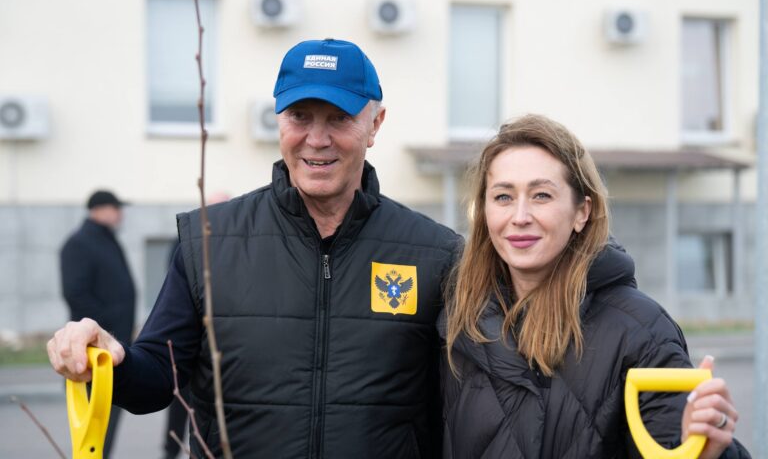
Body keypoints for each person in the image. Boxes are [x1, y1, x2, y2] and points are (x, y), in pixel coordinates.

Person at [48, 38, 463, 458]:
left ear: (375, 124)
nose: (317, 139)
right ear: (279, 119)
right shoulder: (209, 241)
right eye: (300, 116)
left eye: (339, 118)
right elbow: (156, 381)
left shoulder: (435, 254)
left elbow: (467, 408)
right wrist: (111, 359)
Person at [440, 115, 749, 458]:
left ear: (581, 212)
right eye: (503, 197)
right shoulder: (456, 322)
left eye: (541, 195)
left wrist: (708, 450)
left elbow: (679, 447)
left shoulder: (640, 332)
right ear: (483, 210)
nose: (520, 216)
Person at [60, 189, 136, 458]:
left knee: (107, 427)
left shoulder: (107, 241)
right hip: (93, 354)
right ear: (100, 210)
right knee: (94, 431)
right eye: (116, 208)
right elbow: (76, 294)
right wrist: (101, 332)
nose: (120, 214)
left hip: (113, 350)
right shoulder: (79, 244)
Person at [161, 192, 229, 459]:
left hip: (222, 340)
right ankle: (170, 450)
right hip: (192, 335)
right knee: (181, 401)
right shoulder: (189, 242)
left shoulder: (237, 242)